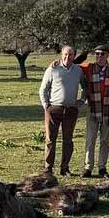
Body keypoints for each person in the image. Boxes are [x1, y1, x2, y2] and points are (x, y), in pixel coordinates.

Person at [38, 45, 86, 175]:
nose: (67, 57)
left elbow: (85, 87)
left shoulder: (78, 71)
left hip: (71, 109)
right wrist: (46, 105)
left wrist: (81, 101)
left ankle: (65, 168)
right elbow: (43, 89)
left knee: (68, 140)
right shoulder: (53, 69)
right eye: (65, 54)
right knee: (50, 140)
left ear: (74, 55)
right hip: (54, 108)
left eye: (70, 54)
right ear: (61, 54)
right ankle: (48, 168)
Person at [80, 45, 109, 178]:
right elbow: (72, 64)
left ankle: (102, 167)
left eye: (103, 54)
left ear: (107, 56)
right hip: (93, 108)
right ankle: (88, 167)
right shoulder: (88, 68)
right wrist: (56, 62)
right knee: (90, 139)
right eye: (97, 54)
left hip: (107, 108)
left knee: (104, 140)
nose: (100, 57)